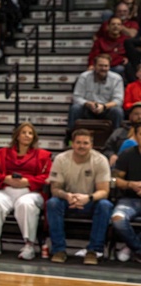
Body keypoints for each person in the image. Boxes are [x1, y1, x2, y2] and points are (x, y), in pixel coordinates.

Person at [0, 122, 53, 259]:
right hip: (7, 190)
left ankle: (29, 245)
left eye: (30, 133)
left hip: (31, 192)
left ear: (34, 137)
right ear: (17, 136)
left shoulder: (43, 155)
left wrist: (28, 182)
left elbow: (47, 177)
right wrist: (5, 179)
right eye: (24, 132)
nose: (27, 135)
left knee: (25, 204)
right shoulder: (3, 153)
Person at [45, 130, 113, 265]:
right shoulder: (61, 159)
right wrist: (67, 196)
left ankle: (94, 250)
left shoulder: (100, 160)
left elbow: (104, 191)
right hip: (67, 199)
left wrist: (88, 198)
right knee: (52, 203)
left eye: (85, 143)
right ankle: (59, 249)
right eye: (78, 142)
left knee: (105, 205)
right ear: (72, 144)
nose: (81, 146)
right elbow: (55, 188)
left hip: (90, 201)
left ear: (91, 145)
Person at [69, 54, 125, 132]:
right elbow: (77, 97)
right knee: (75, 108)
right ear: (94, 66)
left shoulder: (116, 78)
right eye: (100, 66)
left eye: (106, 66)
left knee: (117, 111)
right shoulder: (84, 76)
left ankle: (116, 139)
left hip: (106, 109)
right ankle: (70, 137)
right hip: (88, 108)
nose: (103, 68)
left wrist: (104, 106)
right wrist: (89, 104)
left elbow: (118, 100)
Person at [111, 130, 141, 262]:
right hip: (129, 199)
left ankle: (130, 248)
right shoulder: (127, 154)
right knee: (118, 220)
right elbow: (115, 180)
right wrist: (130, 184)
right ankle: (137, 248)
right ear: (136, 136)